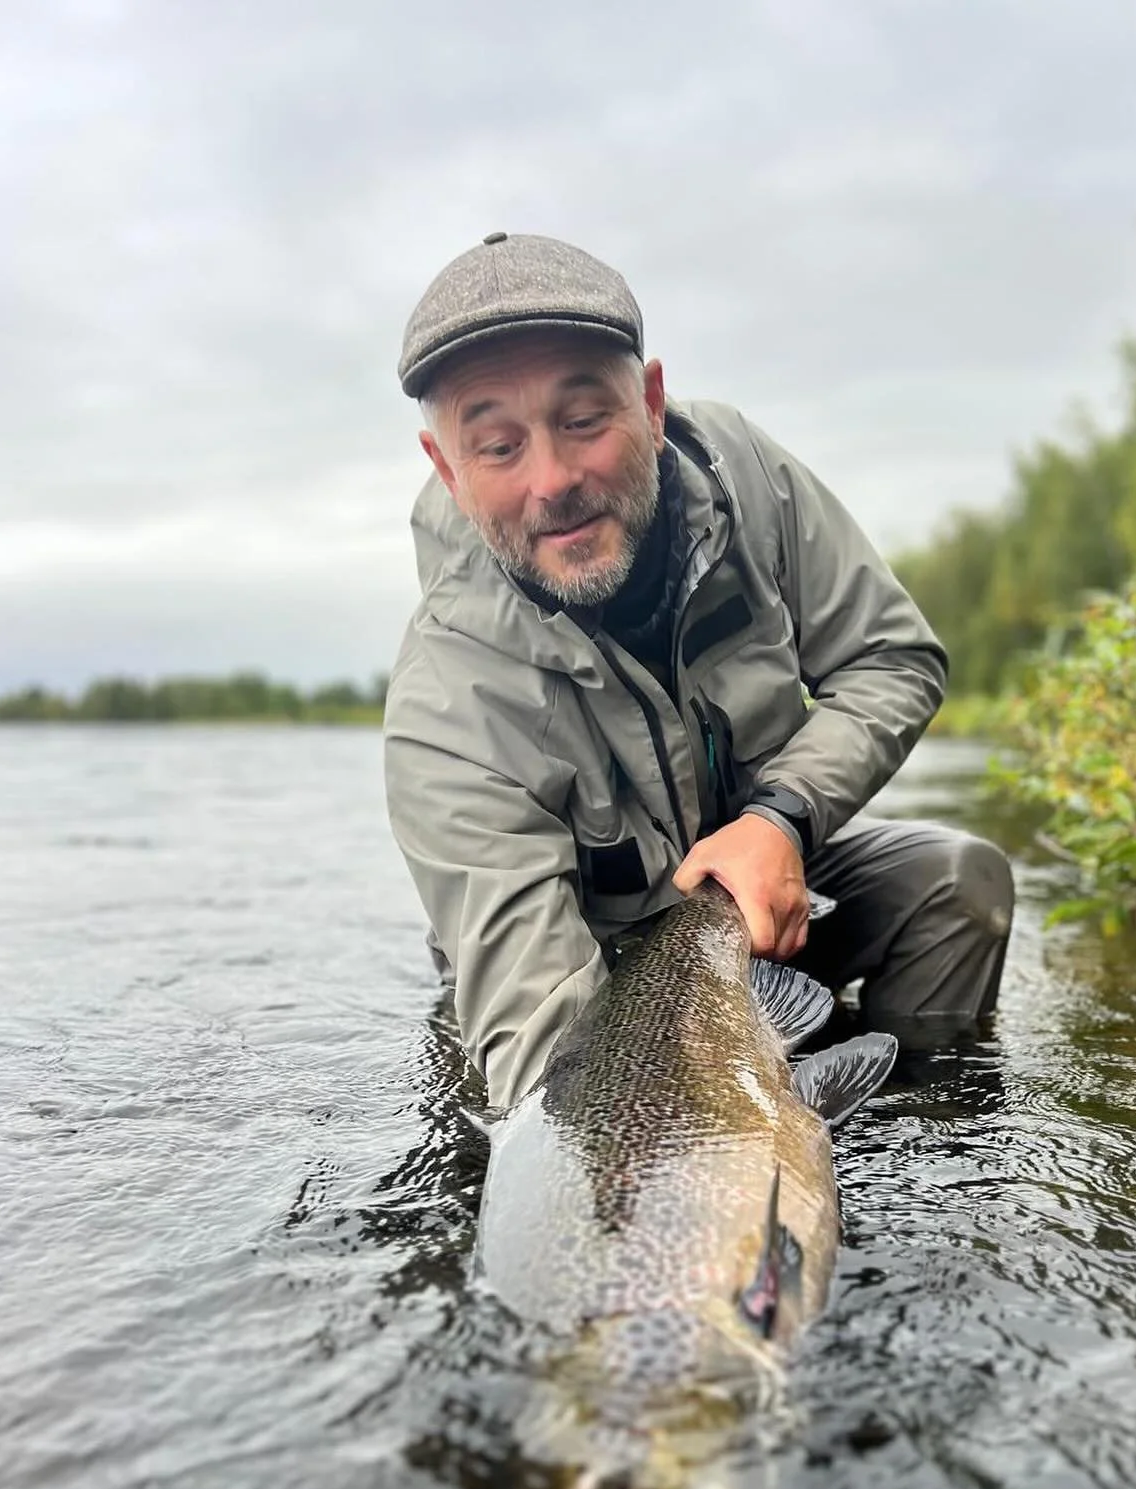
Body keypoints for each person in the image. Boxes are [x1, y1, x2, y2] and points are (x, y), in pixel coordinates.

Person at [385, 232, 1013, 1112]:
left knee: (955, 882)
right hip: (589, 974)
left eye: (582, 420)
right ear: (447, 469)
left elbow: (892, 656)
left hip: (761, 909)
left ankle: (896, 1137)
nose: (553, 481)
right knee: (565, 1133)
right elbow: (541, 1051)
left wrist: (782, 817)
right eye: (496, 447)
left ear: (648, 401)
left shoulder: (746, 478)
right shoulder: (445, 705)